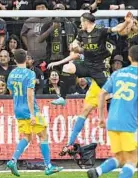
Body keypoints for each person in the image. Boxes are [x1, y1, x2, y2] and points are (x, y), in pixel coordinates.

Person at [47, 12, 133, 154]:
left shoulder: (106, 41)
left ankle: (125, 146)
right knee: (85, 111)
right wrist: (72, 49)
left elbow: (119, 30)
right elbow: (77, 51)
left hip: (102, 77)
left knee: (115, 112)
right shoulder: (85, 36)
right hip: (94, 81)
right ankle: (69, 143)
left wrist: (127, 23)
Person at [6, 49, 63, 177]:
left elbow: (11, 92)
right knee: (43, 136)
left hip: (18, 109)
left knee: (27, 136)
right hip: (29, 110)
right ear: (26, 59)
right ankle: (48, 166)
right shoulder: (30, 74)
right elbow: (30, 94)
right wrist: (32, 114)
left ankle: (13, 160)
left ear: (14, 60)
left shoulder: (11, 74)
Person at [87, 45, 138, 178]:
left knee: (121, 158)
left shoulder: (117, 73)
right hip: (129, 122)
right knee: (133, 160)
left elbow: (102, 93)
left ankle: (96, 172)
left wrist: (102, 117)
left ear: (129, 57)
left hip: (113, 121)